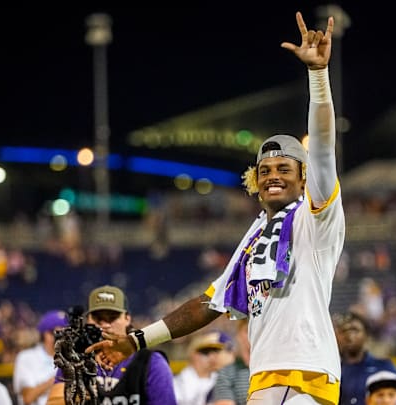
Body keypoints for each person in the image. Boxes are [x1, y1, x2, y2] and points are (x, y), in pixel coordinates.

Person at [89, 11, 344, 405]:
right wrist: (137, 340)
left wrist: (318, 76)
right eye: (265, 170)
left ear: (304, 177)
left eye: (284, 169)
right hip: (264, 377)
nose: (274, 175)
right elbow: (208, 305)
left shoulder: (317, 218)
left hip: (308, 374)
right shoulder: (255, 234)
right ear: (255, 182)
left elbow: (324, 149)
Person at [46, 285, 176, 405]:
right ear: (88, 320)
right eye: (98, 318)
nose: (105, 325)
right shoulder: (76, 360)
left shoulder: (151, 363)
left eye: (112, 317)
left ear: (127, 318)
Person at [334, 312, 396, 405]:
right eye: (343, 331)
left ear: (366, 335)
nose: (349, 336)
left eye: (354, 330)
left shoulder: (384, 367)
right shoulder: (333, 372)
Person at [13, 309, 67, 405]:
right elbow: (28, 397)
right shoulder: (27, 357)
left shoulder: (72, 359)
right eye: (56, 333)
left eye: (65, 333)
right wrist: (59, 377)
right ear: (45, 334)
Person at [174, 331, 232, 405]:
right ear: (193, 354)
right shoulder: (178, 382)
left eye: (215, 351)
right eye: (206, 352)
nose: (212, 356)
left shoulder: (221, 379)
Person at [211, 319, 250, 405]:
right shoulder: (227, 373)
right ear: (238, 334)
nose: (212, 356)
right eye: (247, 331)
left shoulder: (273, 368)